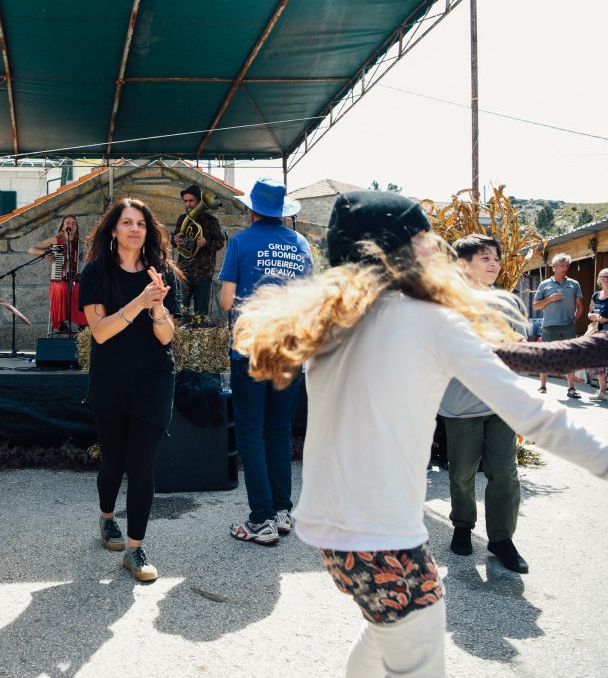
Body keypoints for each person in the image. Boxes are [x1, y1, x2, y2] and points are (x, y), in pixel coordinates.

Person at [232, 190, 607, 677]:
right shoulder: (428, 319)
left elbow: (489, 359)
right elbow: (538, 417)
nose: (437, 246)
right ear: (400, 248)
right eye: (424, 235)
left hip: (330, 529)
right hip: (382, 533)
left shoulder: (330, 320)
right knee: (418, 655)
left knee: (384, 634)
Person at [78, 198, 180, 582]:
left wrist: (157, 308)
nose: (135, 229)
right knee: (114, 462)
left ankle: (135, 549)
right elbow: (101, 333)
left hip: (154, 379)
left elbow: (167, 336)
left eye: (141, 223)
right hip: (111, 380)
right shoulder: (96, 273)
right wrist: (140, 301)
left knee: (142, 466)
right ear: (113, 230)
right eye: (127, 223)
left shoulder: (162, 273)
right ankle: (107, 518)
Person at [218, 177, 312, 546]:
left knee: (251, 431)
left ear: (252, 208)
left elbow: (226, 301)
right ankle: (282, 511)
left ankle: (261, 519)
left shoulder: (241, 241)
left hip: (252, 347)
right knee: (278, 429)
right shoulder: (301, 244)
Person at [437, 235, 528, 573]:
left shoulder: (510, 303)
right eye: (485, 258)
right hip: (461, 403)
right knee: (462, 471)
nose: (494, 264)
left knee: (505, 471)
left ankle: (501, 539)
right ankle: (462, 525)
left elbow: (520, 350)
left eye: (496, 259)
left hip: (501, 401)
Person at [532, 253, 583, 398]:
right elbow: (536, 306)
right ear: (554, 267)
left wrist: (574, 322)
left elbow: (580, 306)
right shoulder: (544, 284)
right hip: (549, 326)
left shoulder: (574, 284)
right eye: (562, 265)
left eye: (567, 265)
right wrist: (550, 298)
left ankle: (571, 389)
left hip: (567, 327)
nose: (565, 268)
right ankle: (542, 386)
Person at [28, 214, 88, 333]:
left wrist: (84, 258)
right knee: (62, 287)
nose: (70, 225)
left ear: (76, 228)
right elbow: (31, 249)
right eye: (68, 223)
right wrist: (44, 253)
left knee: (85, 289)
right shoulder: (55, 240)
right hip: (59, 280)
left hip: (75, 280)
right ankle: (59, 323)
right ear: (62, 227)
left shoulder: (80, 244)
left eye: (73, 223)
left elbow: (87, 259)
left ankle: (83, 323)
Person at [171, 184, 225, 317]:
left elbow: (220, 242)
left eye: (191, 200)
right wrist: (175, 240)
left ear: (199, 202)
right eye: (185, 201)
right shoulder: (182, 219)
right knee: (182, 309)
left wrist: (206, 243)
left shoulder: (211, 221)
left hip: (203, 272)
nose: (188, 204)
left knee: (201, 311)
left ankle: (199, 336)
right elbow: (175, 241)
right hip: (183, 271)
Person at [585, 268, 608, 400]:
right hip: (597, 331)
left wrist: (604, 319)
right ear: (599, 280)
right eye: (603, 277)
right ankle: (602, 391)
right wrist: (592, 316)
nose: (606, 279)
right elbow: (589, 312)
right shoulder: (595, 295)